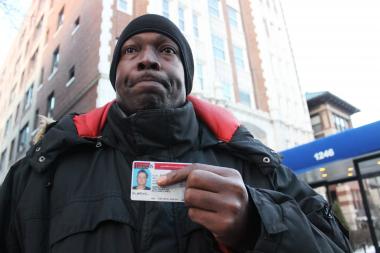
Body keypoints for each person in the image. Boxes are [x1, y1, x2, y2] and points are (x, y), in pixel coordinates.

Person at [0, 14, 351, 253]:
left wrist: (258, 222)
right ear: (116, 73)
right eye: (130, 50)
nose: (147, 59)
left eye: (166, 50)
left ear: (187, 76)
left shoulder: (257, 165)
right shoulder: (40, 171)